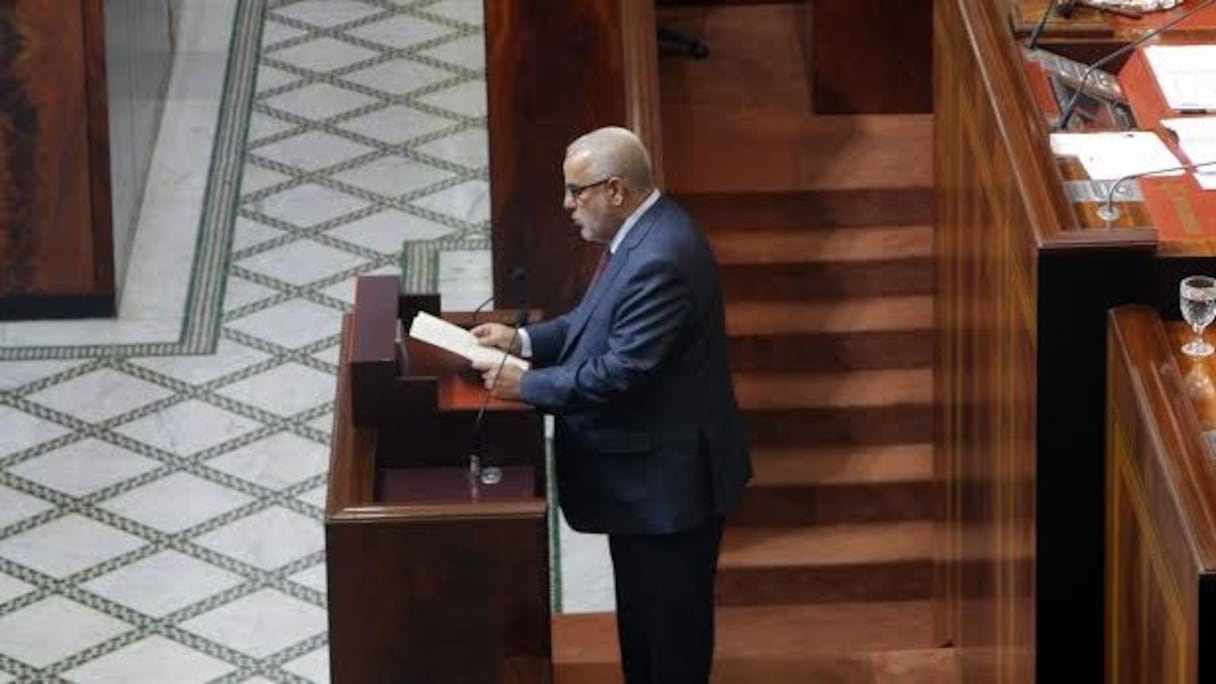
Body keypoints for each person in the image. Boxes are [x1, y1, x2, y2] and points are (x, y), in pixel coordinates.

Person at [470, 126, 751, 684]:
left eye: (578, 192)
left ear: (616, 190)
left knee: (670, 644)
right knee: (644, 630)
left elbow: (621, 372)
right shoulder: (639, 236)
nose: (567, 205)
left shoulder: (661, 259)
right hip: (647, 484)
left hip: (669, 491)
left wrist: (524, 386)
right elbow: (592, 327)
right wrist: (522, 342)